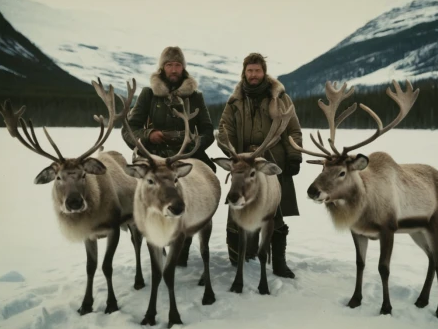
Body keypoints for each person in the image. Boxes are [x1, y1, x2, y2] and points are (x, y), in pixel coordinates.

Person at [121, 46, 217, 267]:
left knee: (194, 200)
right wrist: (147, 135)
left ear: (183, 68)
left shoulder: (196, 96)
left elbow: (207, 130)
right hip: (154, 159)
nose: (174, 69)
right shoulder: (148, 94)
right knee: (146, 200)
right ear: (162, 68)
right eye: (169, 65)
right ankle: (156, 242)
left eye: (177, 65)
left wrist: (193, 142)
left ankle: (183, 243)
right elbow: (129, 129)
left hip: (186, 160)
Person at [217, 52, 302, 278]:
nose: (253, 75)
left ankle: (279, 262)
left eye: (257, 71)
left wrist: (294, 156)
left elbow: (293, 129)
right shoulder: (235, 101)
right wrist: (233, 154)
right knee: (239, 205)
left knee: (276, 213)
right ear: (244, 73)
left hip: (273, 161)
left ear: (264, 72)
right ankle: (243, 251)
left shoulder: (280, 98)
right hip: (244, 166)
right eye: (250, 71)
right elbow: (225, 130)